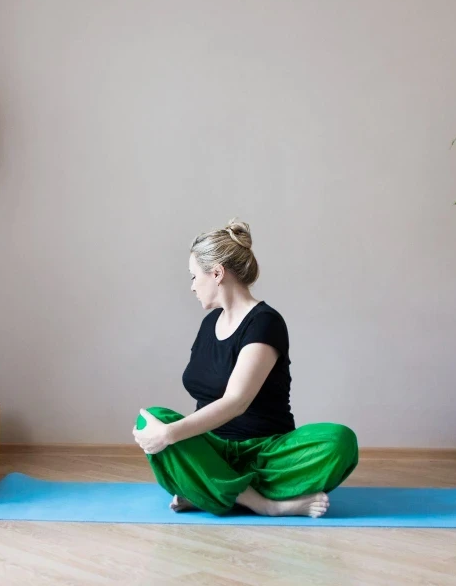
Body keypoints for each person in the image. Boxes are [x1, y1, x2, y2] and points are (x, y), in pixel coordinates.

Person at [132, 219, 358, 518]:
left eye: (193, 277)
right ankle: (257, 499)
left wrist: (170, 435)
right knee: (153, 420)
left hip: (267, 453)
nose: (191, 287)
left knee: (339, 440)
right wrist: (166, 432)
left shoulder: (264, 322)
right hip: (212, 450)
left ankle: (217, 493)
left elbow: (237, 401)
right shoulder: (209, 323)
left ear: (217, 273)